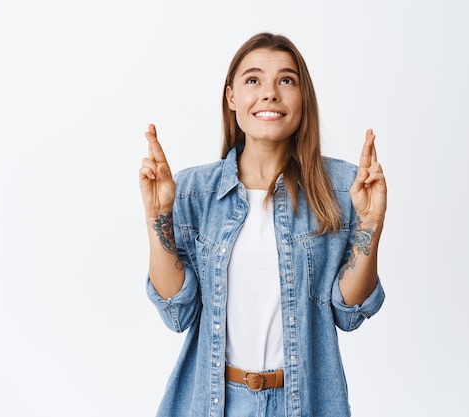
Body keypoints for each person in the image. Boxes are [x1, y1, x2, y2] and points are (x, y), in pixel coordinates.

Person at [139, 32, 386, 417]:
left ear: (303, 97)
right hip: (215, 402)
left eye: (286, 80)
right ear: (232, 97)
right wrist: (158, 218)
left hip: (304, 403)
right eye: (253, 80)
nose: (269, 93)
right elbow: (176, 313)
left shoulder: (342, 189)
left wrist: (370, 226)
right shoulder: (191, 192)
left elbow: (349, 312)